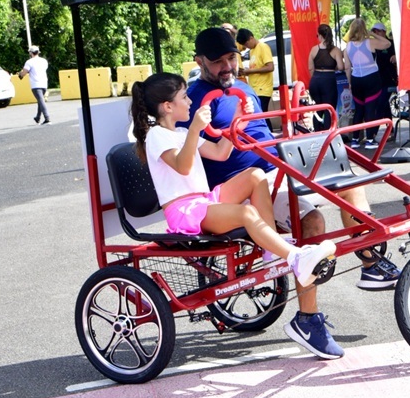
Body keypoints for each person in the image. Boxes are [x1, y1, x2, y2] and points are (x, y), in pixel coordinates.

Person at [186, 28, 401, 355]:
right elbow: (187, 151)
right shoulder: (193, 99)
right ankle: (308, 320)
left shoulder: (245, 88)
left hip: (276, 170)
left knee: (345, 175)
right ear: (199, 61)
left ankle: (371, 261)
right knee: (313, 222)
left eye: (232, 57)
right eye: (217, 62)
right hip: (238, 186)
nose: (227, 66)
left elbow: (267, 129)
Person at [130, 71, 336, 306]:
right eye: (185, 97)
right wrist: (196, 129)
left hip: (202, 201)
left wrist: (238, 119)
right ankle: (296, 257)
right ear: (167, 106)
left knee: (255, 176)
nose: (190, 102)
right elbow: (183, 167)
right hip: (184, 211)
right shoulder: (157, 135)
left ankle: (270, 253)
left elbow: (221, 152)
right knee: (247, 213)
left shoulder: (182, 133)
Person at [344, 17, 391, 149]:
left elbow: (347, 66)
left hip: (356, 78)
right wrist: (372, 34)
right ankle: (370, 139)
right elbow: (387, 43)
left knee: (359, 110)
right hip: (371, 77)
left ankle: (355, 139)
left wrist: (349, 83)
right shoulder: (370, 42)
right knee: (370, 108)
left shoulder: (348, 46)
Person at [307, 23, 344, 131]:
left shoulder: (314, 49)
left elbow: (310, 68)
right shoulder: (335, 50)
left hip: (316, 79)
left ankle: (317, 131)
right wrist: (333, 67)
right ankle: (328, 133)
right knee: (329, 108)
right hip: (328, 79)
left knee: (318, 108)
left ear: (320, 35)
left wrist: (314, 77)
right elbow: (341, 67)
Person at [236, 28, 274, 111]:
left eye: (246, 44)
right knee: (259, 115)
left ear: (251, 38)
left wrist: (250, 71)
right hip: (255, 89)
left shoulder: (263, 47)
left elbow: (270, 67)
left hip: (263, 89)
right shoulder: (252, 51)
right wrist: (245, 72)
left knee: (262, 115)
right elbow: (256, 68)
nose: (246, 47)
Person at [371, 22, 398, 119]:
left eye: (378, 31)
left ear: (384, 32)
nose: (376, 34)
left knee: (381, 103)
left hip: (389, 77)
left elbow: (402, 55)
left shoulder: (390, 44)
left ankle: (373, 131)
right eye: (374, 31)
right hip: (377, 78)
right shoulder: (372, 45)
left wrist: (396, 57)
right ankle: (390, 129)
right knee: (384, 103)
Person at [19, 45, 50, 125]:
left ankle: (47, 118)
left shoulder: (29, 62)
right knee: (40, 100)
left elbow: (24, 73)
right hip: (44, 83)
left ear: (31, 53)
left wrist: (20, 74)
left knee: (41, 100)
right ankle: (38, 117)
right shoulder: (44, 61)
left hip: (36, 84)